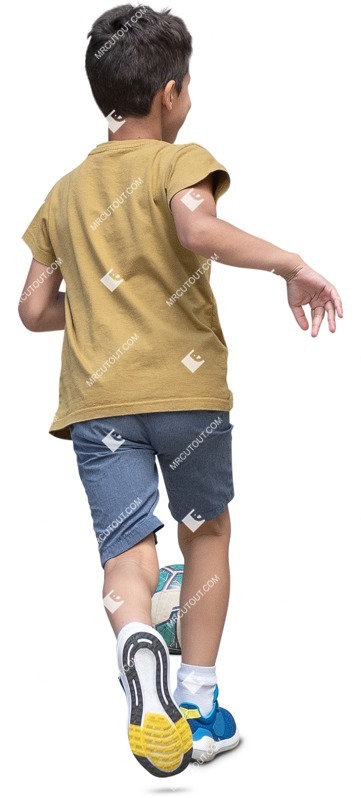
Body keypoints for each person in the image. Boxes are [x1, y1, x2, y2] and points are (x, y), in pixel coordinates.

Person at [19, 3, 343, 780]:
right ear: (168, 92)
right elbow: (196, 230)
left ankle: (136, 638)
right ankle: (197, 705)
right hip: (186, 397)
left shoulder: (63, 192)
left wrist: (98, 311)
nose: (188, 97)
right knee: (205, 535)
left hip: (98, 405)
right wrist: (289, 262)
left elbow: (33, 309)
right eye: (187, 84)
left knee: (128, 553)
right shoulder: (179, 161)